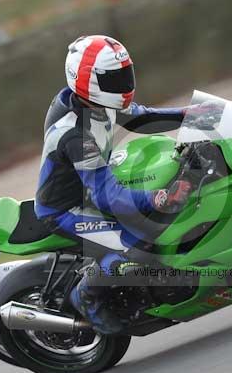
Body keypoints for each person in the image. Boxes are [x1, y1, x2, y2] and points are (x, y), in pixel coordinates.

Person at [34, 35, 193, 334]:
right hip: (67, 208)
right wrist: (156, 199)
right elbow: (108, 196)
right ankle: (86, 296)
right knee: (138, 248)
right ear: (87, 81)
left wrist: (189, 116)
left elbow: (140, 117)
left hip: (94, 183)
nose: (123, 84)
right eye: (114, 78)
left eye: (125, 74)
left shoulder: (92, 100)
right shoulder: (74, 135)